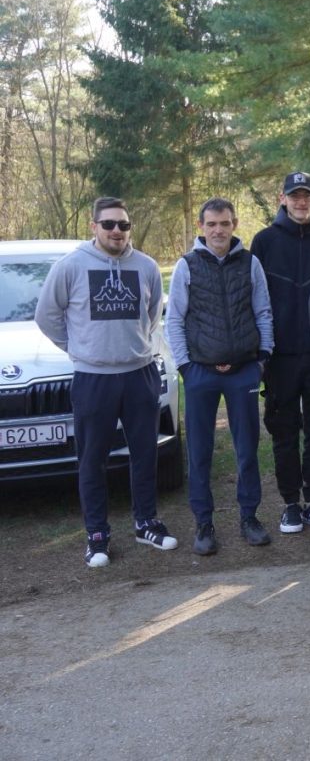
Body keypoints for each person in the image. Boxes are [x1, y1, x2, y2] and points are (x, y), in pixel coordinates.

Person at [35, 197, 178, 567]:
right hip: (93, 379)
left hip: (139, 375)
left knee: (145, 454)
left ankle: (146, 523)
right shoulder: (70, 266)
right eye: (109, 224)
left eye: (123, 225)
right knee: (92, 460)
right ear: (94, 225)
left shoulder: (145, 266)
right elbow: (47, 315)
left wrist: (136, 349)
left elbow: (150, 317)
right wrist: (81, 349)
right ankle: (97, 536)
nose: (117, 231)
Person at [165, 198, 275, 555]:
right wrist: (185, 367)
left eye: (224, 223)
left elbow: (263, 311)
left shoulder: (251, 263)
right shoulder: (187, 266)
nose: (218, 230)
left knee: (247, 449)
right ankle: (204, 523)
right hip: (200, 374)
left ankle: (249, 518)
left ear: (234, 224)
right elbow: (174, 320)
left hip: (243, 371)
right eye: (211, 224)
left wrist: (261, 360)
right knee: (200, 450)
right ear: (201, 226)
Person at [250, 171, 310, 535]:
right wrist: (259, 353)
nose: (301, 202)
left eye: (307, 196)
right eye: (295, 196)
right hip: (281, 357)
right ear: (283, 199)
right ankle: (290, 503)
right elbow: (253, 300)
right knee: (284, 431)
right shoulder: (265, 242)